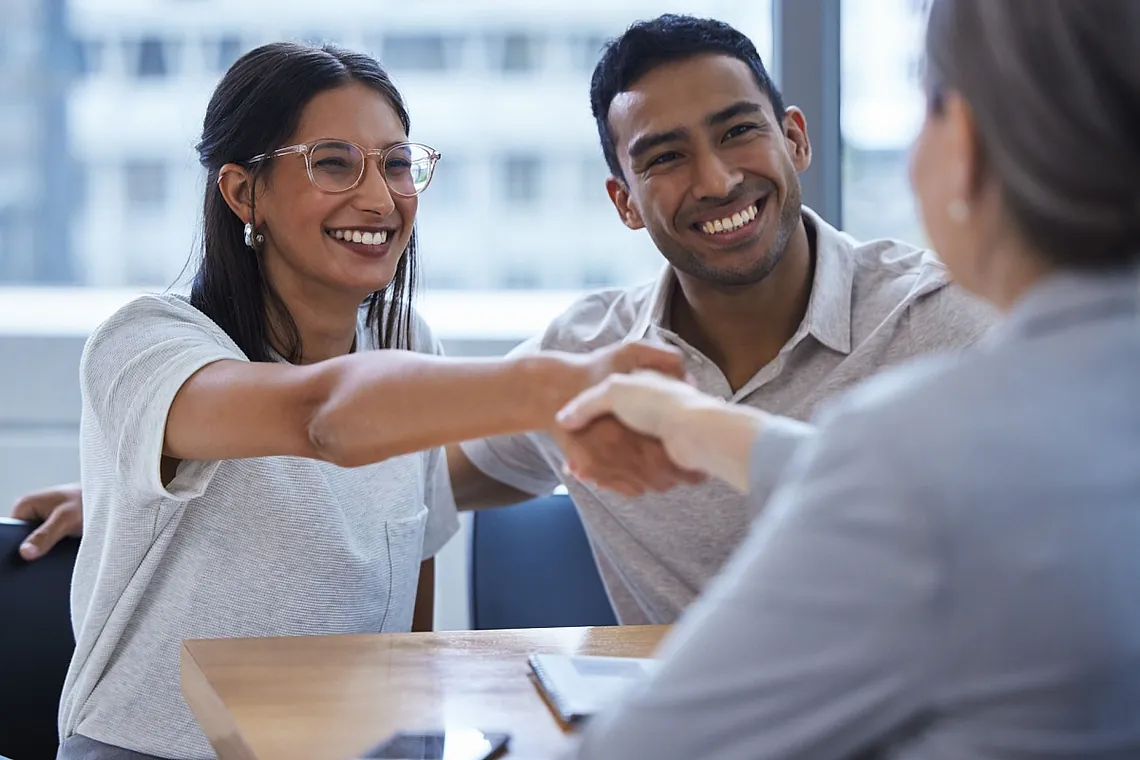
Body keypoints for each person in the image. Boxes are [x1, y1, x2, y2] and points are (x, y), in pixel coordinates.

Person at [13, 15, 997, 625]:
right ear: (623, 200)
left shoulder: (955, 325)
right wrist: (158, 478)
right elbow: (345, 434)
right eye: (662, 158)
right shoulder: (586, 354)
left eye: (739, 134)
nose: (714, 180)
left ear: (794, 140)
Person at [53, 42, 682, 760]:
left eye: (395, 163)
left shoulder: (405, 344)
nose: (381, 199)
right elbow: (318, 419)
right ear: (242, 191)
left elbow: (404, 598)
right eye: (332, 163)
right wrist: (550, 386)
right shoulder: (145, 341)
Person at [556, 0, 1140, 757]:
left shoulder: (916, 432)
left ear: (959, 142)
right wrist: (701, 426)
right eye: (665, 155)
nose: (717, 177)